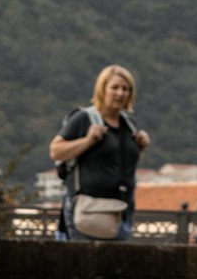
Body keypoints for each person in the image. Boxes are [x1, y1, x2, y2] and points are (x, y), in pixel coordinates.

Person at [49, 64, 150, 241]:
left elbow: (120, 164)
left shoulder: (129, 124)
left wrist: (140, 147)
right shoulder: (84, 118)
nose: (120, 93)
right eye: (115, 87)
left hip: (121, 210)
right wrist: (87, 141)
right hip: (88, 210)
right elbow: (55, 151)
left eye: (125, 89)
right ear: (103, 89)